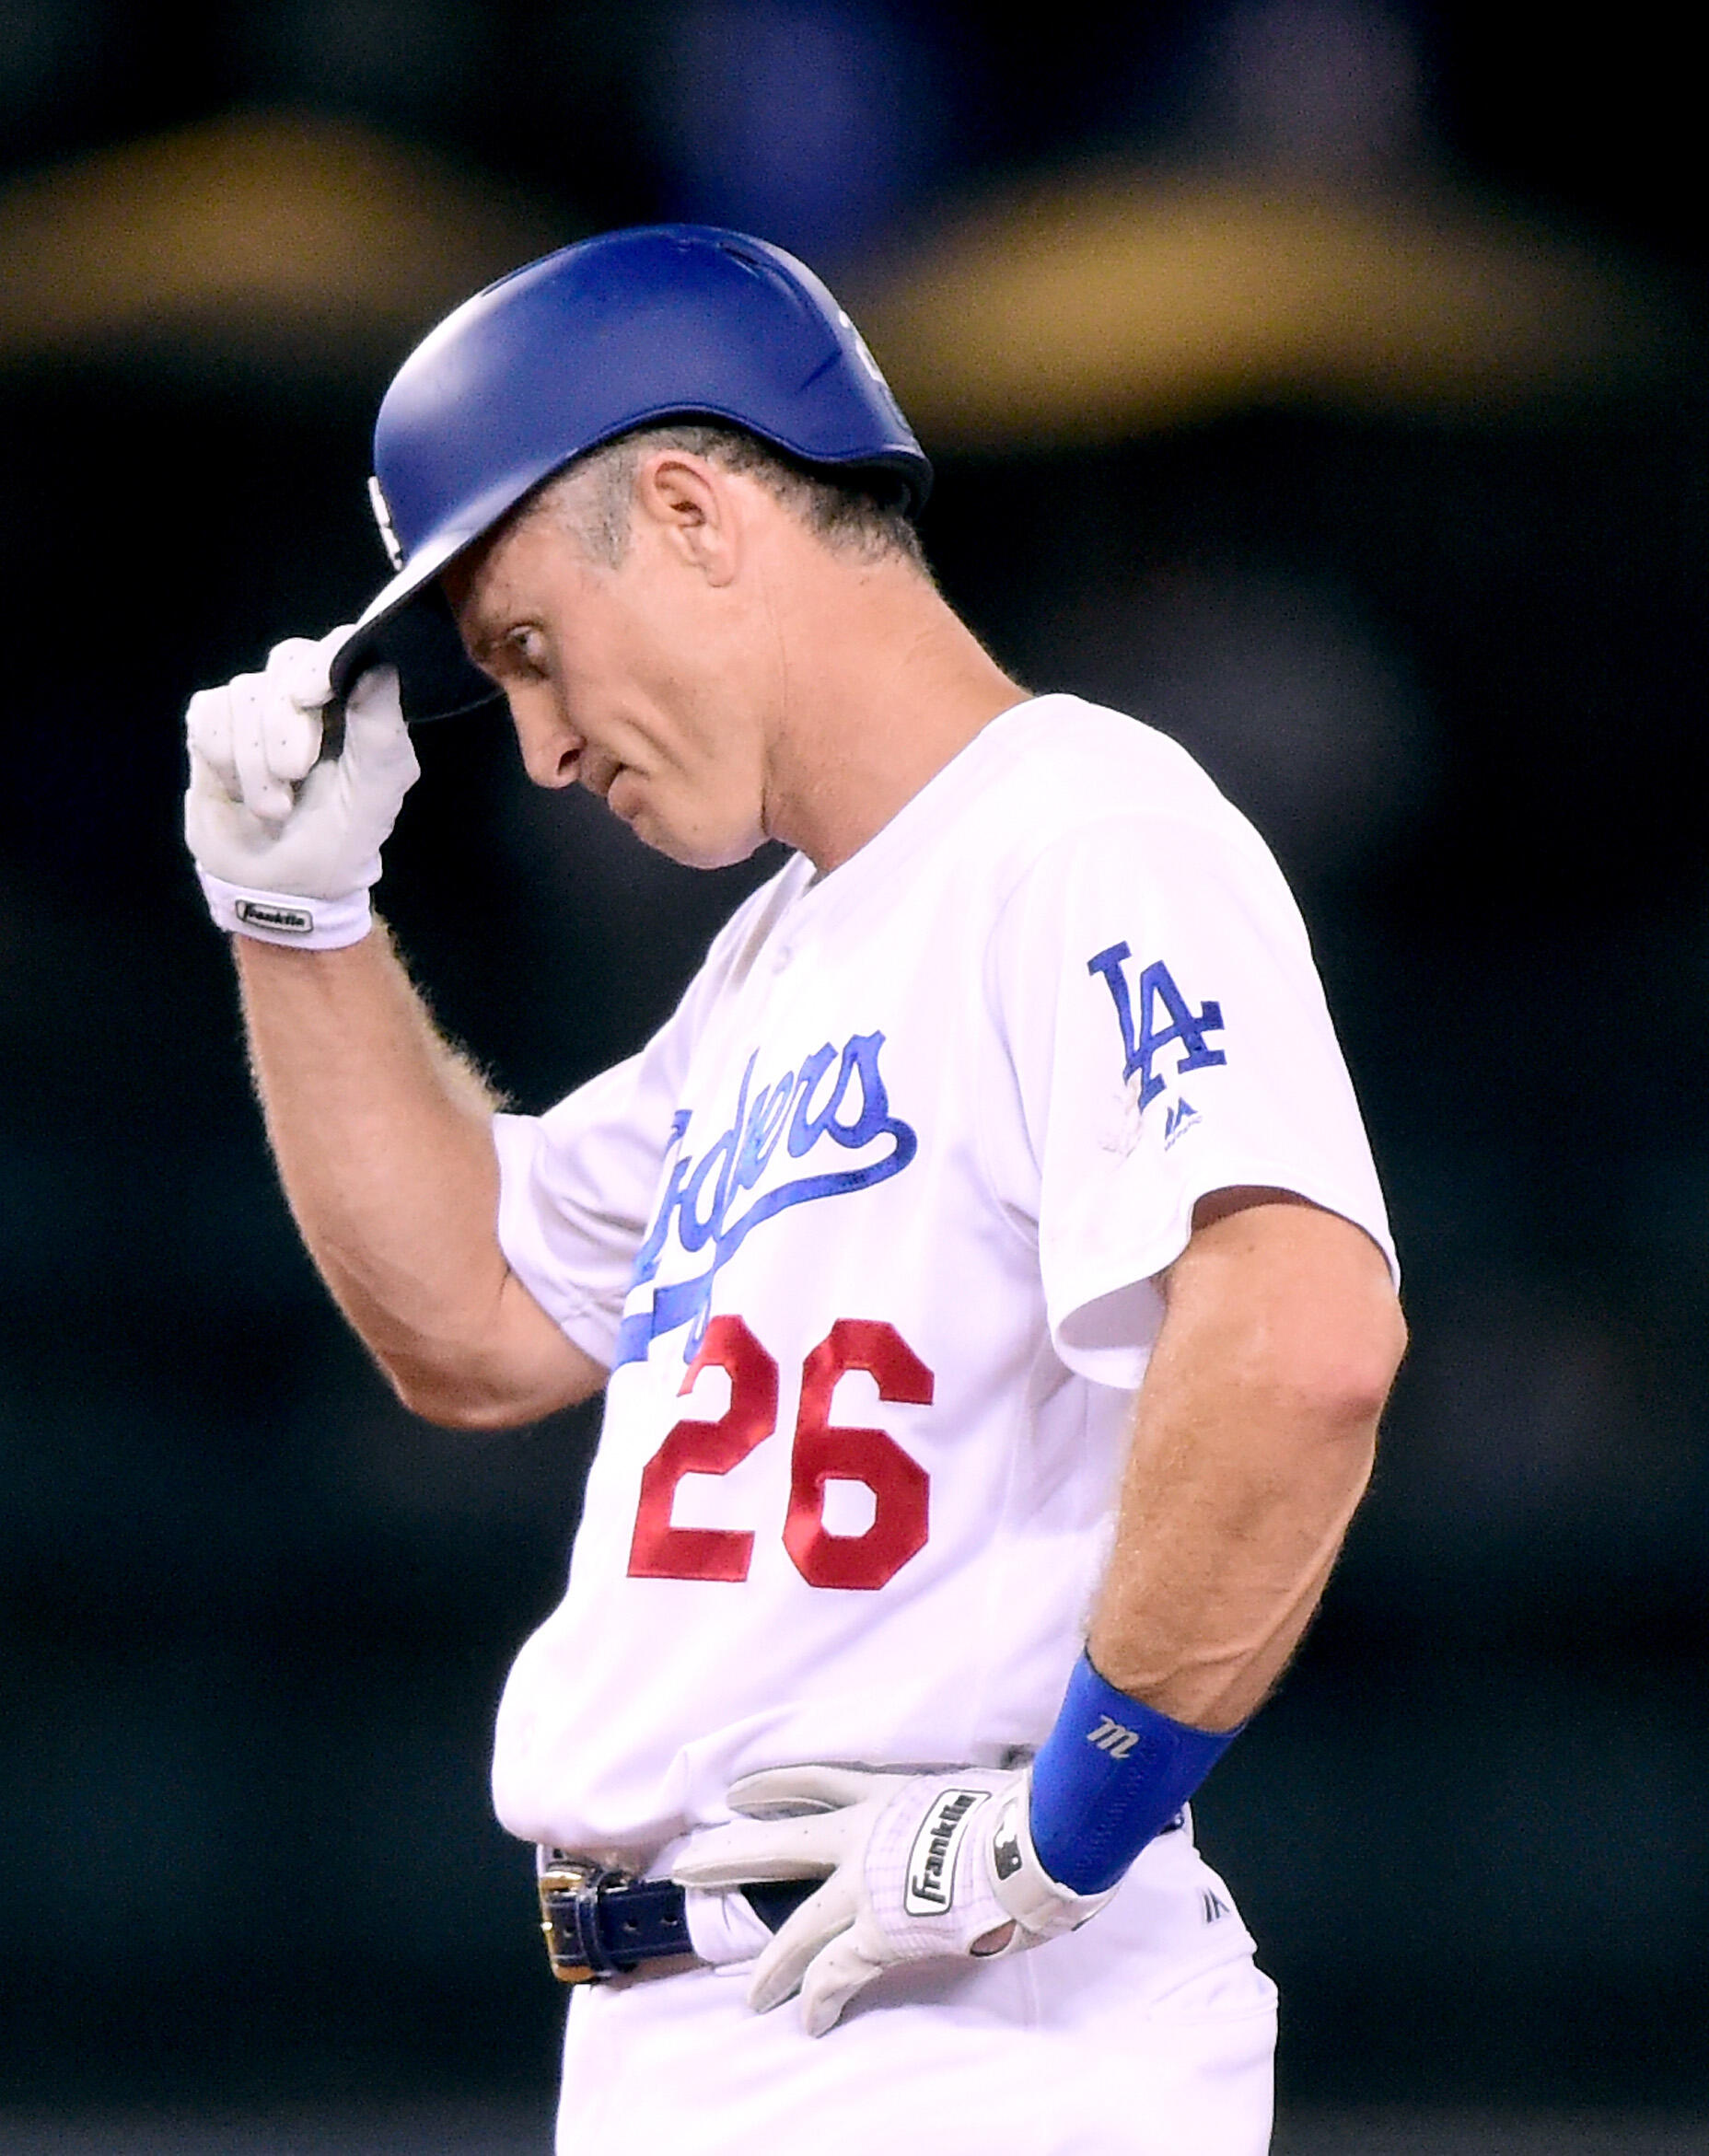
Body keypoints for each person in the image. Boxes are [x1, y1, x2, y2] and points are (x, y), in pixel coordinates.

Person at [180, 226, 1404, 2153]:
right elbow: (476, 1323)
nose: (553, 746)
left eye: (526, 651)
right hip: (732, 2025)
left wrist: (1056, 1825)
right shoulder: (784, 956)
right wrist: (295, 915)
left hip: (976, 2027)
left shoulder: (1081, 826)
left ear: (684, 507)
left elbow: (1304, 1333)